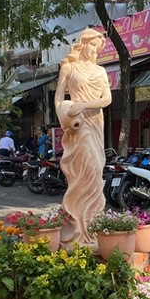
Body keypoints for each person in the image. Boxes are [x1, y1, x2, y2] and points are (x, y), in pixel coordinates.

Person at [54, 28, 112, 245]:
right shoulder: (69, 68)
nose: (94, 50)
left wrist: (84, 105)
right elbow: (59, 98)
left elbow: (106, 99)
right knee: (84, 169)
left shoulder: (101, 71)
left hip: (96, 121)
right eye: (92, 45)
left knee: (96, 170)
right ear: (84, 43)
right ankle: (78, 227)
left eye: (98, 48)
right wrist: (65, 117)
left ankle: (92, 223)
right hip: (79, 126)